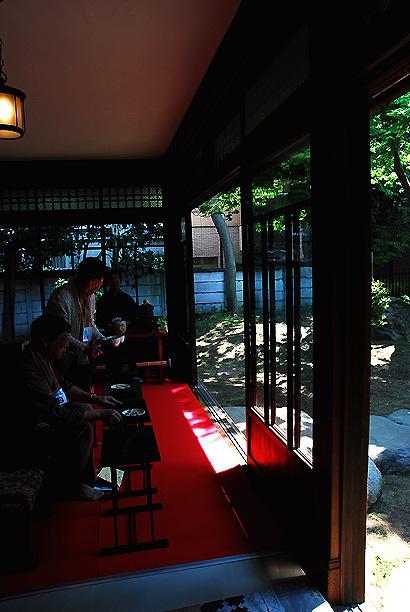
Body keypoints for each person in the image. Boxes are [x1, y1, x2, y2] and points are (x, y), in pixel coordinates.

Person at [20, 314, 123, 501]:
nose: (67, 344)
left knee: (85, 407)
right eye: (64, 339)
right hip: (33, 429)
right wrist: (100, 413)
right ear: (46, 341)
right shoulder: (29, 368)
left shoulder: (42, 357)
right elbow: (55, 413)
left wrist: (96, 399)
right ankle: (73, 486)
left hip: (50, 414)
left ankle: (89, 475)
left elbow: (65, 385)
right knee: (82, 428)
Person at [46, 257, 108, 390]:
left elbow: (90, 323)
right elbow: (61, 335)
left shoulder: (91, 295)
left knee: (86, 392)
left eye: (100, 282)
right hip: (64, 361)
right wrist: (85, 348)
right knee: (67, 394)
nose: (97, 286)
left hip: (84, 359)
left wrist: (103, 339)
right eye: (94, 281)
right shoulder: (61, 297)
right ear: (82, 277)